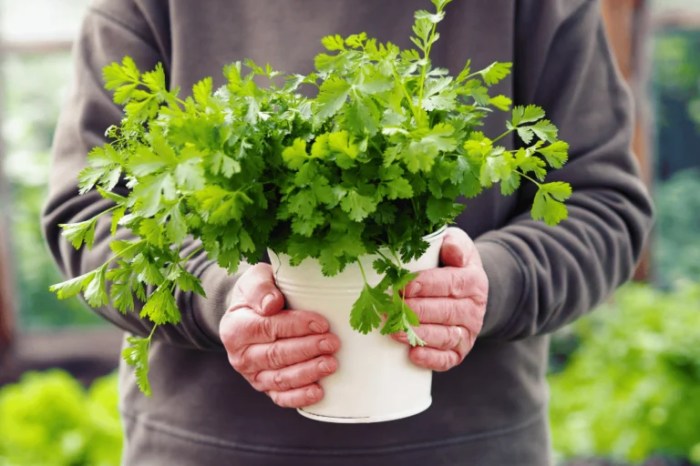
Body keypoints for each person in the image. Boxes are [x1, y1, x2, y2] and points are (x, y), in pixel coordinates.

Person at [42, 0, 653, 464]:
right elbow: (89, 215)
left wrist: (494, 281)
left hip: (469, 447)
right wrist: (219, 293)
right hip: (207, 449)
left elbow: (604, 206)